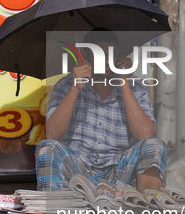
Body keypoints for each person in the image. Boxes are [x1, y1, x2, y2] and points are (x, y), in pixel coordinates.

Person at [36, 29, 166, 192]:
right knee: (48, 148)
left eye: (113, 54)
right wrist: (75, 88)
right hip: (78, 173)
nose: (107, 60)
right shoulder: (66, 85)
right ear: (86, 56)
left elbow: (146, 135)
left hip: (120, 175)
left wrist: (124, 83)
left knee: (153, 145)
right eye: (100, 54)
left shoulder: (135, 87)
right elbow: (52, 135)